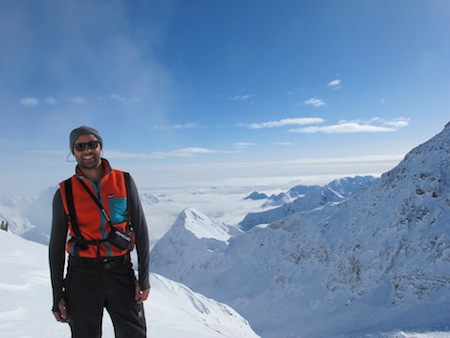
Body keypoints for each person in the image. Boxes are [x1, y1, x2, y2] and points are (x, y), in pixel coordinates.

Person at [49, 126, 150, 338]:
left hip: (120, 272)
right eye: (80, 146)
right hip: (81, 276)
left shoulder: (124, 181)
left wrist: (145, 278)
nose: (87, 150)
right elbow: (56, 246)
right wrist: (58, 293)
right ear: (73, 152)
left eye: (92, 144)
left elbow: (140, 230)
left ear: (100, 147)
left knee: (134, 334)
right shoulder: (64, 192)